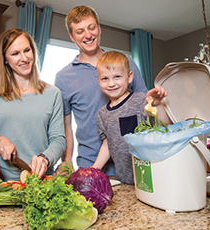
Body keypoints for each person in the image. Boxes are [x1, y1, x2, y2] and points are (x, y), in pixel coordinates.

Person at [54, 5, 148, 176]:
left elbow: (147, 106)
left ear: (99, 28)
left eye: (91, 28)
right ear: (71, 36)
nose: (88, 35)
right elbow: (66, 126)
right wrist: (66, 163)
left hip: (133, 161)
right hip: (90, 164)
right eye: (80, 31)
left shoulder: (125, 62)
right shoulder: (63, 77)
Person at [0, 28, 66, 181]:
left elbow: (58, 140)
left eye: (27, 50)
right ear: (5, 59)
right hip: (0, 179)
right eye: (15, 53)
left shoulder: (53, 93)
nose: (24, 58)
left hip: (41, 179)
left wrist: (45, 158)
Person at [92, 51, 171, 184]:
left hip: (151, 179)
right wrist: (94, 169)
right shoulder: (101, 114)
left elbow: (164, 127)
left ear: (129, 77)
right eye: (105, 78)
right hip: (123, 180)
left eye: (117, 76)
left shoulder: (141, 100)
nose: (111, 84)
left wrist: (158, 105)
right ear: (99, 80)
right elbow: (107, 145)